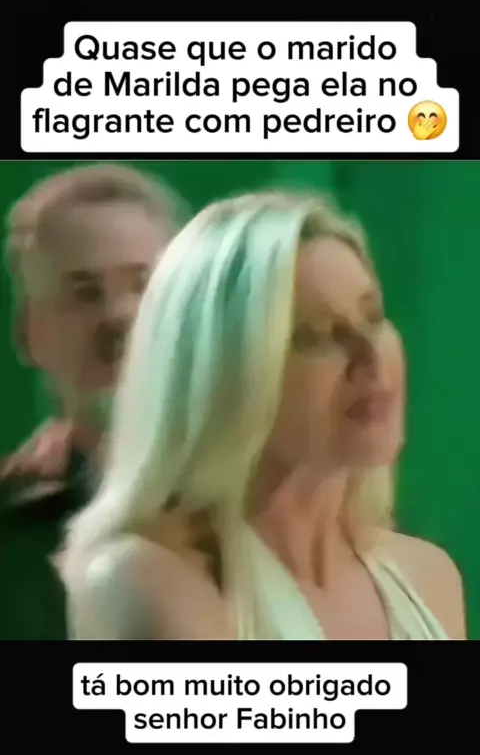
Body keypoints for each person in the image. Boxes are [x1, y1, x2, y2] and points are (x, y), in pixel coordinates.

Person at [63, 191, 466, 640]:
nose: (369, 356)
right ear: (223, 374)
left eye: (372, 316)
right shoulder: (150, 583)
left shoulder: (430, 577)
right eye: (314, 335)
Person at [0, 163, 184, 639]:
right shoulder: (12, 536)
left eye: (143, 284)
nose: (119, 314)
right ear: (29, 335)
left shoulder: (277, 502)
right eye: (84, 293)